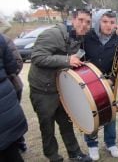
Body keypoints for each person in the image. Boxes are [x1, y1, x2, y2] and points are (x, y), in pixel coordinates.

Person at [28, 9, 92, 162]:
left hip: (61, 89)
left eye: (88, 22)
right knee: (47, 127)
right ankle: (53, 156)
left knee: (66, 123)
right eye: (81, 20)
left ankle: (75, 153)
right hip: (42, 89)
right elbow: (37, 57)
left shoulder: (79, 38)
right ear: (73, 19)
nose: (84, 25)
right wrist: (66, 60)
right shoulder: (53, 34)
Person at [83, 9, 118, 160]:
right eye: (105, 21)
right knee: (90, 113)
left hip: (109, 83)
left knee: (110, 113)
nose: (108, 25)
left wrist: (112, 80)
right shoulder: (87, 37)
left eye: (112, 22)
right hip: (89, 83)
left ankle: (110, 143)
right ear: (98, 21)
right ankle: (92, 144)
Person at [0, 16, 27, 152]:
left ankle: (19, 142)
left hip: (10, 88)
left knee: (10, 123)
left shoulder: (4, 40)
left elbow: (17, 63)